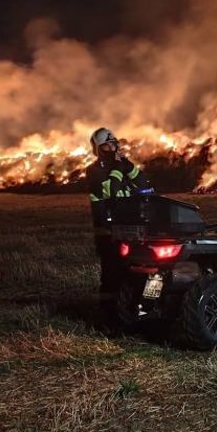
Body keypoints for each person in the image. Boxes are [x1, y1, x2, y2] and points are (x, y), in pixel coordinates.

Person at [87, 127, 153, 324]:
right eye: (107, 145)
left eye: (113, 144)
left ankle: (135, 313)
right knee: (111, 277)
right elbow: (113, 192)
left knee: (135, 273)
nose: (112, 148)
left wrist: (126, 164)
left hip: (129, 229)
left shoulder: (121, 166)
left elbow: (144, 183)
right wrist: (118, 167)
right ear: (99, 149)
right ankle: (108, 319)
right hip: (108, 232)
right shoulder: (94, 171)